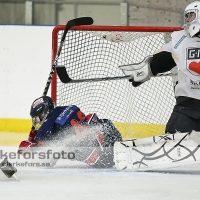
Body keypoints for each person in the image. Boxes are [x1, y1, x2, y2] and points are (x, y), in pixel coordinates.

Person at [125, 1, 200, 134]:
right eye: (188, 16)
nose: (188, 20)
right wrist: (148, 69)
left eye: (192, 16)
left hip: (187, 110)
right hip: (187, 110)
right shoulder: (182, 39)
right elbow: (166, 59)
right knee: (173, 148)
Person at [18, 96, 122, 168]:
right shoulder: (66, 109)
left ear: (43, 113)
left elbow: (47, 160)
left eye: (37, 117)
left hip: (102, 157)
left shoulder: (45, 128)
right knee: (91, 121)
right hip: (110, 134)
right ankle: (121, 147)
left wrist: (31, 145)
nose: (37, 121)